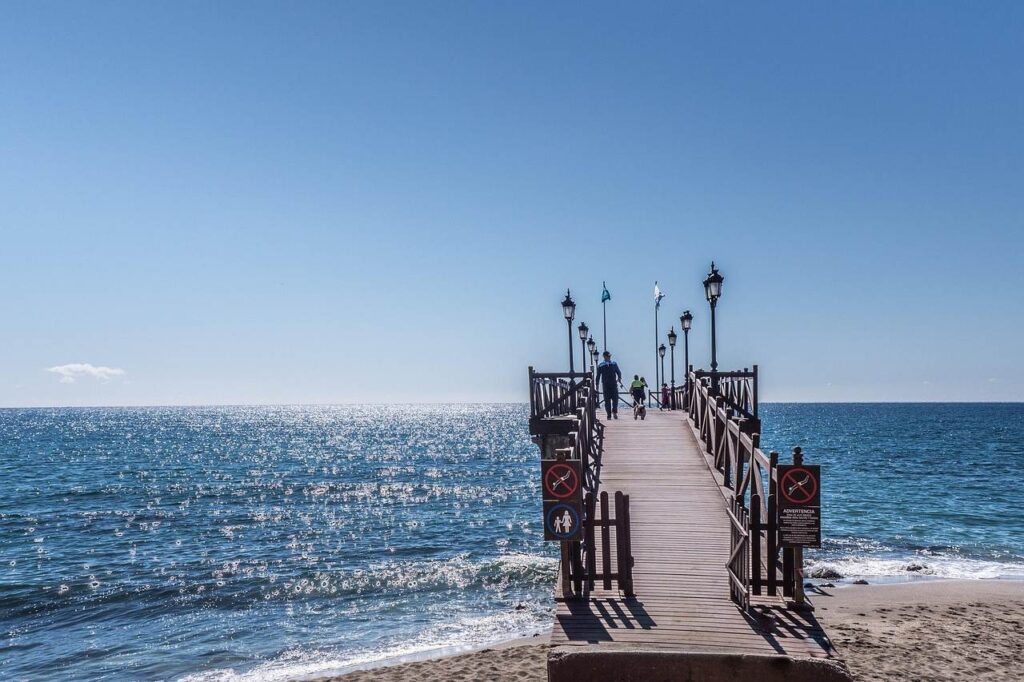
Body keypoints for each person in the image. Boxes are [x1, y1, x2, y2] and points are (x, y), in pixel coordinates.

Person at [595, 351, 623, 420]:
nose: (609, 357)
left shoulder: (614, 364)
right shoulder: (601, 365)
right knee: (607, 401)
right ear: (604, 356)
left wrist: (619, 378)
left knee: (615, 399)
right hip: (605, 385)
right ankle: (609, 415)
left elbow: (618, 372)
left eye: (609, 356)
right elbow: (598, 376)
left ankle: (614, 412)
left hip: (613, 384)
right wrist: (597, 384)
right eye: (608, 356)